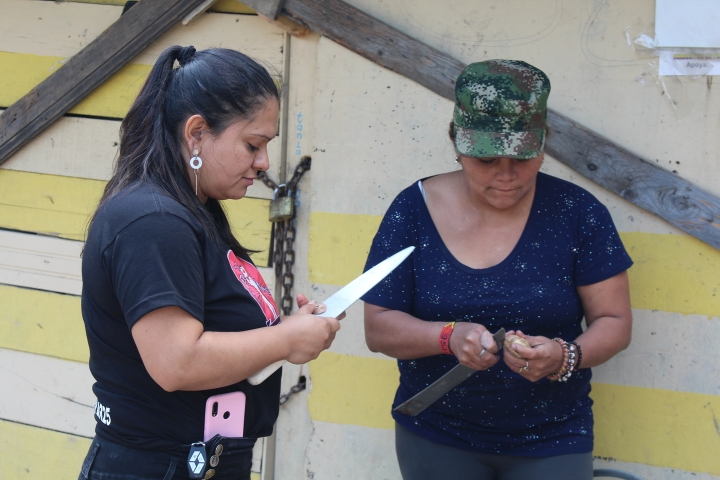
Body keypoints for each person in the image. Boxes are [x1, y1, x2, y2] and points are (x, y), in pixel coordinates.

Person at [78, 46, 340, 480]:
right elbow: (177, 362)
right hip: (159, 467)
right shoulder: (154, 220)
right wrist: (285, 341)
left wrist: (292, 330)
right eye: (252, 145)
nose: (264, 163)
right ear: (196, 132)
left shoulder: (189, 211)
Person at [362, 60, 633, 480]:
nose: (506, 176)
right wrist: (448, 337)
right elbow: (378, 328)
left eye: (523, 158)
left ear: (544, 144)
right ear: (456, 142)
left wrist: (565, 355)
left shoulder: (578, 213)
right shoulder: (411, 211)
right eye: (486, 159)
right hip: (436, 434)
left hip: (553, 436)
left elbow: (614, 321)